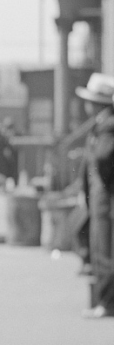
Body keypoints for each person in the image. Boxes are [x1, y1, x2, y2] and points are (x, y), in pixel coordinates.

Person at [74, 73, 114, 318]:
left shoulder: (107, 126)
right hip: (99, 198)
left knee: (104, 251)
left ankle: (107, 303)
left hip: (104, 199)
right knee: (100, 248)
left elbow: (101, 157)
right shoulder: (103, 124)